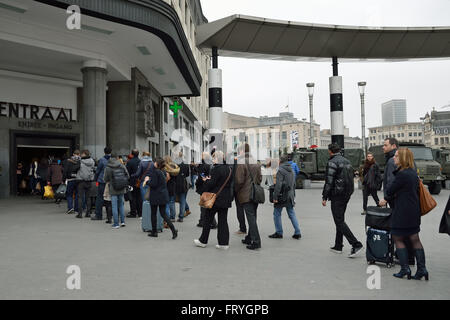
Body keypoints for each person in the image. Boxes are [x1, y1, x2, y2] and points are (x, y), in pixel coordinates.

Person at [379, 148, 429, 280]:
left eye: (396, 156)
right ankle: (422, 269)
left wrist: (388, 197)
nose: (394, 158)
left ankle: (404, 268)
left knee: (398, 238)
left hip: (402, 211)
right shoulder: (412, 173)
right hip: (413, 210)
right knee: (415, 238)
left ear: (402, 158)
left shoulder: (402, 174)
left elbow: (390, 190)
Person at [322, 143, 363, 258]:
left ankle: (356, 244)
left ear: (330, 151)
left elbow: (329, 181)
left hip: (337, 195)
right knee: (340, 219)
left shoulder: (332, 162)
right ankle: (338, 245)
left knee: (339, 220)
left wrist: (324, 196)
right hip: (346, 194)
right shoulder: (347, 161)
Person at [380, 137, 415, 265]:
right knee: (410, 232)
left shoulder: (391, 161)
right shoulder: (409, 162)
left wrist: (386, 198)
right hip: (410, 203)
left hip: (398, 202)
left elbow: (391, 183)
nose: (383, 147)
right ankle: (410, 257)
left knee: (399, 231)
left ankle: (403, 257)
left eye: (385, 145)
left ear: (393, 146)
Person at [194, 151, 233, 249]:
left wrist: (205, 181)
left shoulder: (216, 169)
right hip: (226, 198)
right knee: (223, 220)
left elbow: (211, 184)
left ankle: (203, 241)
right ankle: (223, 243)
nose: (212, 160)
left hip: (215, 198)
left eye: (214, 158)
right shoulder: (229, 169)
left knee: (207, 219)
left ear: (217, 159)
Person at [235, 143, 263, 250]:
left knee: (251, 218)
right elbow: (260, 178)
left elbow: (239, 180)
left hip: (245, 194)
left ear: (242, 151)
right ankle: (249, 237)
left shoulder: (242, 162)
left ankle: (256, 242)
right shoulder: (255, 161)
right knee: (253, 216)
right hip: (255, 193)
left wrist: (237, 191)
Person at [269, 155, 302, 240]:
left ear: (280, 161)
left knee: (276, 213)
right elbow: (293, 184)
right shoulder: (291, 169)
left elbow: (278, 185)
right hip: (290, 194)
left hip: (281, 195)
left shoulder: (280, 170)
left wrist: (275, 197)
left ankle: (279, 232)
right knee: (291, 213)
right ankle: (297, 232)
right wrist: (293, 195)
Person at [145, 157, 178, 239]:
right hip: (163, 194)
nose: (154, 163)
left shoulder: (155, 172)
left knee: (153, 213)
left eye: (155, 162)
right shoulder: (163, 171)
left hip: (156, 195)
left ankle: (154, 232)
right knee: (163, 214)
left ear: (157, 164)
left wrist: (147, 181)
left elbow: (153, 184)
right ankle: (173, 230)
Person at [103, 154, 129, 229]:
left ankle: (116, 223)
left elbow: (105, 179)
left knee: (114, 206)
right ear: (117, 158)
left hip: (113, 188)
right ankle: (123, 221)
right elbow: (127, 175)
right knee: (121, 205)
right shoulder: (121, 165)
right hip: (121, 187)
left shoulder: (108, 167)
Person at [195, 152, 217, 229]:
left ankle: (211, 223)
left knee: (205, 206)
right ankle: (202, 221)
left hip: (204, 187)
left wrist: (198, 182)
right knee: (205, 205)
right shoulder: (211, 164)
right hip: (209, 186)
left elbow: (201, 176)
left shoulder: (203, 165)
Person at [75, 150, 95, 219]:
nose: (80, 155)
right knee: (88, 197)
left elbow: (75, 168)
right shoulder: (92, 161)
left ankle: (80, 214)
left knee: (80, 197)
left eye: (81, 154)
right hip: (89, 180)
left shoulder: (80, 161)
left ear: (84, 154)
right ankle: (88, 213)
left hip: (81, 180)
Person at [93, 147, 112, 220]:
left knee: (100, 198)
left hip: (102, 181)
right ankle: (110, 215)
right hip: (110, 181)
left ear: (104, 152)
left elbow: (98, 171)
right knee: (110, 198)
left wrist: (95, 179)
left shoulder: (102, 160)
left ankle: (98, 215)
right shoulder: (113, 160)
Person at [174, 151, 190, 222]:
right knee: (182, 200)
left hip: (175, 183)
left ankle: (172, 215)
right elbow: (187, 175)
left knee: (172, 200)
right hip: (183, 183)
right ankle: (181, 216)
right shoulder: (185, 164)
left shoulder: (174, 164)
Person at [63, 150, 81, 214]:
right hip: (78, 179)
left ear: (73, 154)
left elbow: (65, 171)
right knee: (77, 194)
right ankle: (76, 209)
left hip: (70, 180)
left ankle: (70, 208)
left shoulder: (68, 162)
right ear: (79, 154)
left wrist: (63, 179)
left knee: (69, 194)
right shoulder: (80, 161)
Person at [164, 155, 180, 222]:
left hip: (167, 186)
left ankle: (167, 217)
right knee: (172, 202)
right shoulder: (175, 167)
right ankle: (173, 217)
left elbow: (166, 178)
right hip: (173, 185)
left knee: (166, 202)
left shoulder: (165, 167)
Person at [126, 149, 142, 218]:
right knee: (139, 197)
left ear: (132, 154)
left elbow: (127, 173)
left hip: (131, 182)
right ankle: (140, 212)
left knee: (132, 197)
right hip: (139, 182)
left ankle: (133, 212)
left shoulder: (130, 162)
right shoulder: (141, 162)